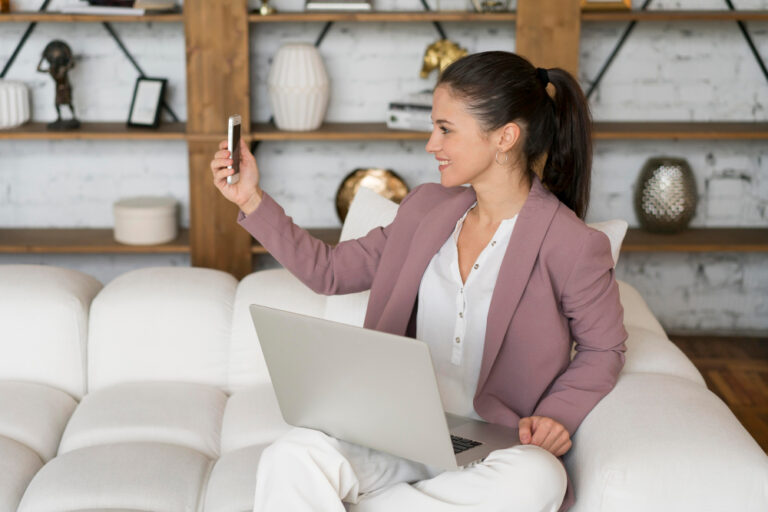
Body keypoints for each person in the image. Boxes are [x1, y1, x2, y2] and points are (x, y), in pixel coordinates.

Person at [209, 51, 628, 512]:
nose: (431, 144)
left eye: (445, 129)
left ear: (505, 137)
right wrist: (250, 198)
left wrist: (556, 416)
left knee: (539, 478)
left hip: (490, 447)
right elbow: (329, 271)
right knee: (292, 456)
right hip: (397, 432)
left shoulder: (571, 244)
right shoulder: (426, 209)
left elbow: (604, 348)